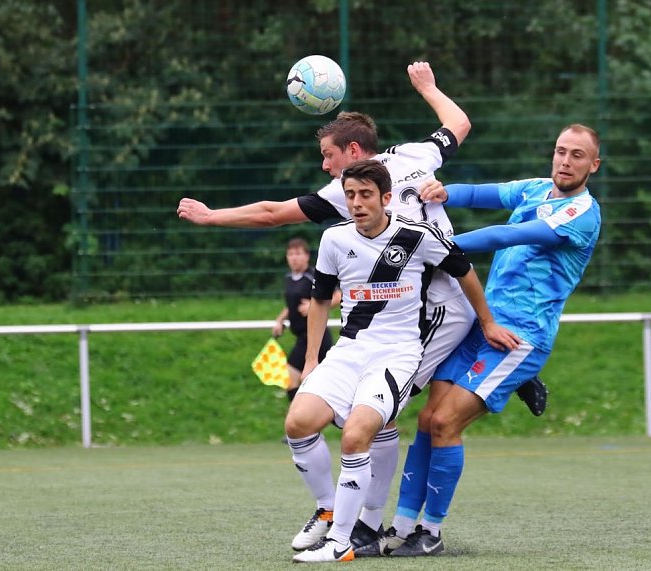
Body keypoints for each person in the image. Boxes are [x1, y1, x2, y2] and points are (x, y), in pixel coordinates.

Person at [178, 62, 543, 549]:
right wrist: (430, 89)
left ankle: (363, 524)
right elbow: (459, 123)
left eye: (328, 156)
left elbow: (271, 214)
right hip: (425, 299)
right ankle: (357, 518)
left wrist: (210, 217)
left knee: (374, 410)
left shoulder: (346, 190)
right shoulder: (414, 155)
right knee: (376, 412)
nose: (326, 166)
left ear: (353, 152)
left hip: (432, 304)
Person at [356, 124, 602, 557]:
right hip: (482, 320)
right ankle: (399, 530)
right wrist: (443, 191)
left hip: (519, 335)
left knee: (447, 422)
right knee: (428, 420)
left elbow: (506, 236)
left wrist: (432, 247)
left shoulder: (582, 212)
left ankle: (429, 534)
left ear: (593, 165)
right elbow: (480, 193)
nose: (565, 160)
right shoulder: (538, 189)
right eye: (561, 150)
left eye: (577, 155)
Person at [287, 160, 519, 563]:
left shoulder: (416, 236)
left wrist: (487, 322)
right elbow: (321, 300)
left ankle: (342, 541)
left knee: (357, 433)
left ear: (386, 198)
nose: (357, 203)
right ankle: (328, 507)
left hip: (398, 355)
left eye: (365, 195)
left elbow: (464, 272)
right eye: (351, 195)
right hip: (349, 351)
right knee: (298, 424)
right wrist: (311, 360)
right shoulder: (333, 240)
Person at [272, 237, 339, 402]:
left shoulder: (313, 276)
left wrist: (313, 306)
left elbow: (338, 295)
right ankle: (307, 423)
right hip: (302, 337)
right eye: (290, 254)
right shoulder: (289, 278)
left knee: (293, 379)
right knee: (300, 382)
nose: (294, 257)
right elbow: (293, 305)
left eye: (298, 253)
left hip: (316, 337)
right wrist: (280, 320)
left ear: (307, 256)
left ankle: (304, 422)